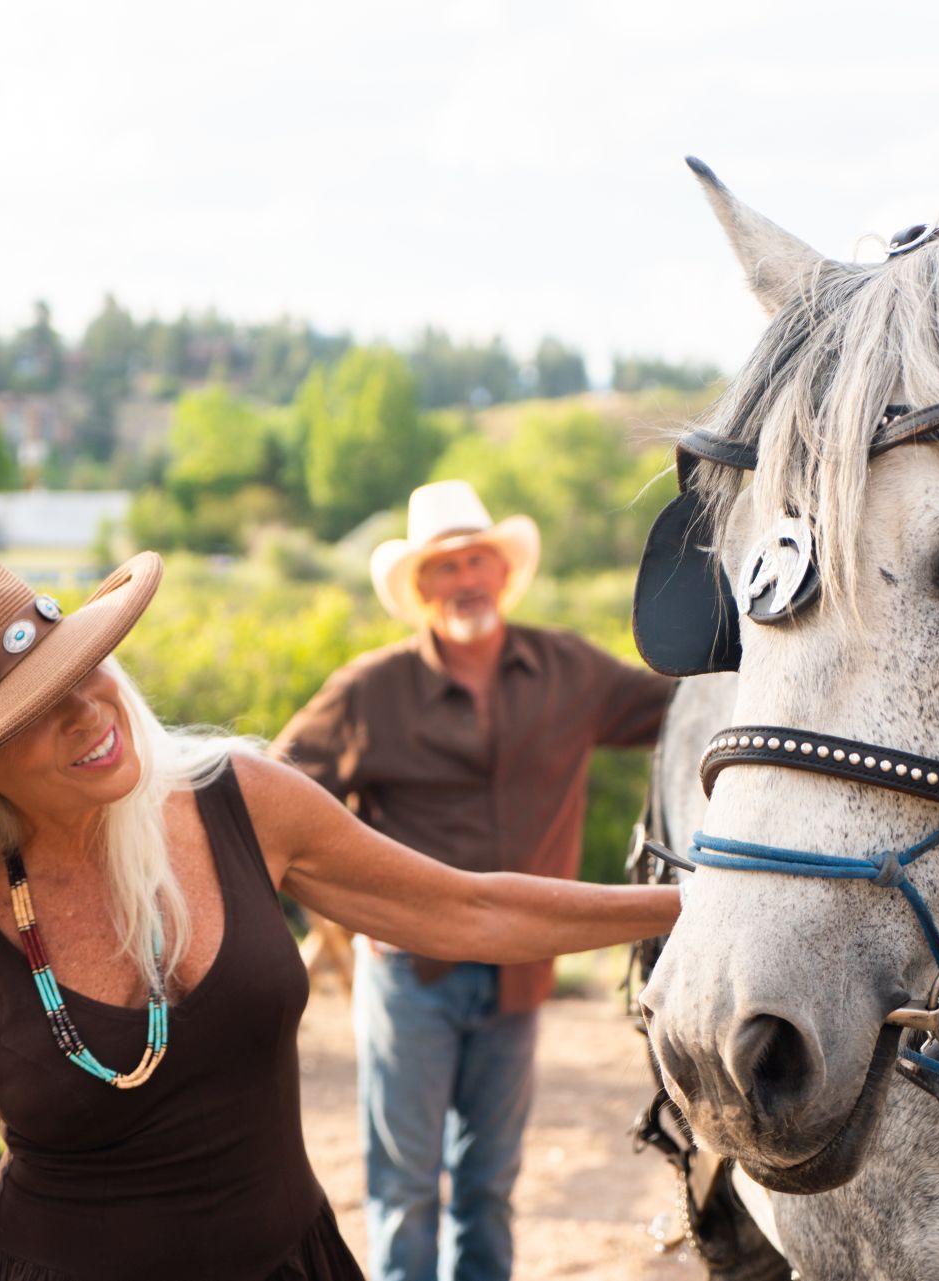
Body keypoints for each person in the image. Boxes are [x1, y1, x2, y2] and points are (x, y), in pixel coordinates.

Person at [0, 545, 680, 1281]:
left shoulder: (242, 803)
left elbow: (470, 907)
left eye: (80, 667)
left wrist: (691, 906)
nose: (87, 712)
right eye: (31, 711)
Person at [275, 480, 676, 1281]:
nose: (464, 579)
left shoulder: (568, 670)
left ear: (502, 571)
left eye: (477, 560)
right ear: (421, 588)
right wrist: (345, 895)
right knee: (405, 1187)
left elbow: (683, 708)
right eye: (444, 567)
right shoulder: (368, 691)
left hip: (520, 975)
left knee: (489, 1187)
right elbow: (271, 788)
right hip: (407, 976)